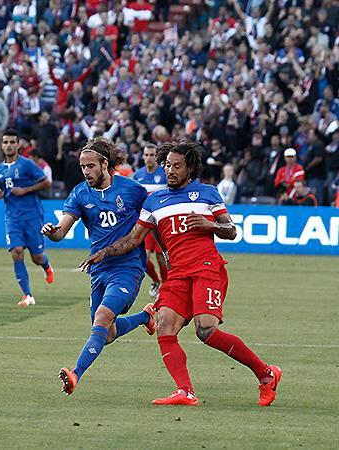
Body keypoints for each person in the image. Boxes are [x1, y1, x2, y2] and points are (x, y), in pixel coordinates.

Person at [80, 141, 281, 407]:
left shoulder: (207, 193)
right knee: (164, 326)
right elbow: (133, 239)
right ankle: (185, 391)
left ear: (190, 168)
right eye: (167, 165)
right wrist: (104, 252)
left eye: (177, 166)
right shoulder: (154, 201)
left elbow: (231, 230)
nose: (170, 171)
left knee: (206, 331)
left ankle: (266, 374)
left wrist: (209, 225)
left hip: (206, 269)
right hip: (177, 274)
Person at [42, 137, 155, 395]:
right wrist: (52, 232)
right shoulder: (80, 193)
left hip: (128, 268)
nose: (86, 171)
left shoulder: (133, 190)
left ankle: (75, 374)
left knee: (102, 319)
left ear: (105, 164)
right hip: (99, 270)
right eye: (83, 167)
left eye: (90, 166)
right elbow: (61, 231)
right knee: (107, 333)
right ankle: (145, 317)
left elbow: (152, 221)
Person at [0, 129, 54, 306]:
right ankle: (28, 295)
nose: (9, 146)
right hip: (12, 216)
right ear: (2, 145)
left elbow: (46, 182)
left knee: (37, 257)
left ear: (18, 144)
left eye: (12, 142)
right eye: (6, 142)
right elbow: (0, 189)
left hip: (32, 215)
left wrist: (25, 190)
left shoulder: (27, 165)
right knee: (17, 252)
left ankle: (46, 266)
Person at [133, 143, 168, 298]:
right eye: (146, 155)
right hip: (146, 222)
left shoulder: (164, 174)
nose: (149, 158)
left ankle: (166, 287)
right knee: (144, 257)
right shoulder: (138, 175)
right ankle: (155, 280)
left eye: (152, 155)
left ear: (156, 157)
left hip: (161, 222)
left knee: (162, 258)